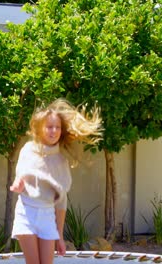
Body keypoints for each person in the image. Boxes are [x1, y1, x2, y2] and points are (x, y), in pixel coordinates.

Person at [10, 98, 103, 264]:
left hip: (47, 216)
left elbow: (61, 202)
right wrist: (18, 184)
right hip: (27, 212)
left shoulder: (61, 160)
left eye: (57, 127)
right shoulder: (29, 149)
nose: (54, 131)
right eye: (49, 127)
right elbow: (21, 174)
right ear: (40, 128)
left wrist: (59, 236)